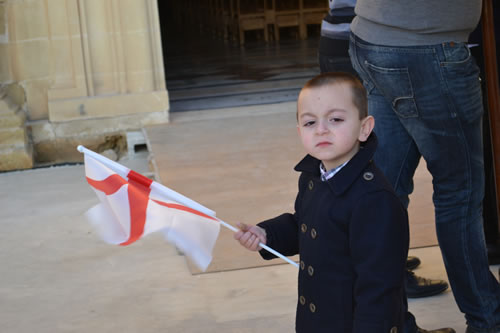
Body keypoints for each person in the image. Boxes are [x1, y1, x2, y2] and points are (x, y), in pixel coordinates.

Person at [348, 1, 500, 332]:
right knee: (458, 194)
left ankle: (391, 323)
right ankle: (488, 320)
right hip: (425, 47)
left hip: (374, 36)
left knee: (383, 193)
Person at [234, 72, 409, 332]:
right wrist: (267, 234)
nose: (321, 129)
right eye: (309, 123)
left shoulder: (374, 201)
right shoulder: (313, 175)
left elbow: (379, 290)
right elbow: (306, 225)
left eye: (335, 119)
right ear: (299, 131)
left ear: (364, 128)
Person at [319, 0, 450, 301]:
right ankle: (378, 271)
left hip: (351, 34)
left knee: (377, 168)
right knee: (370, 173)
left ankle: (382, 263)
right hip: (367, 37)